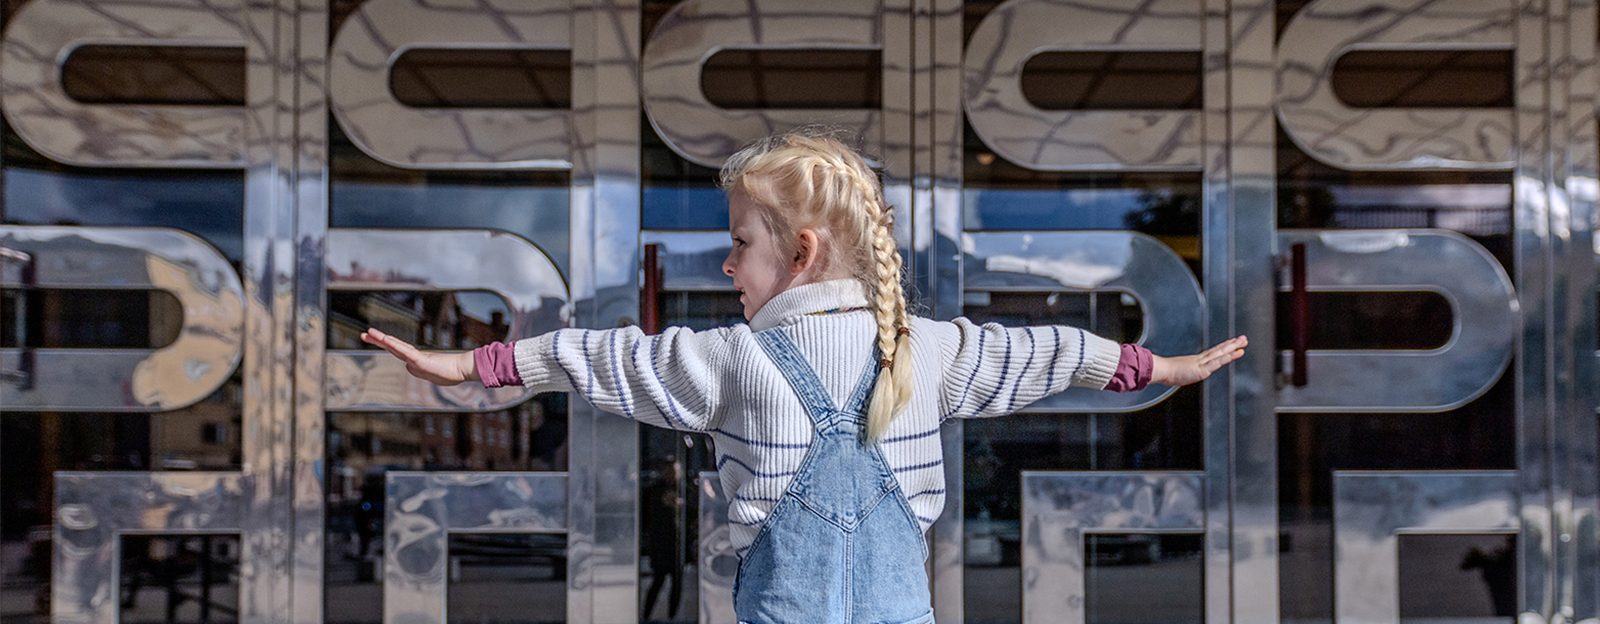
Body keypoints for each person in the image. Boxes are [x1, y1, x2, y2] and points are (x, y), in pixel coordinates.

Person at [360, 130, 1247, 624]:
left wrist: (471, 366)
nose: (727, 268)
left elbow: (586, 357)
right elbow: (1050, 355)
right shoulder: (926, 351)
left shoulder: (727, 361)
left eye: (740, 245)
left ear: (802, 252)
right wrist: (1156, 364)